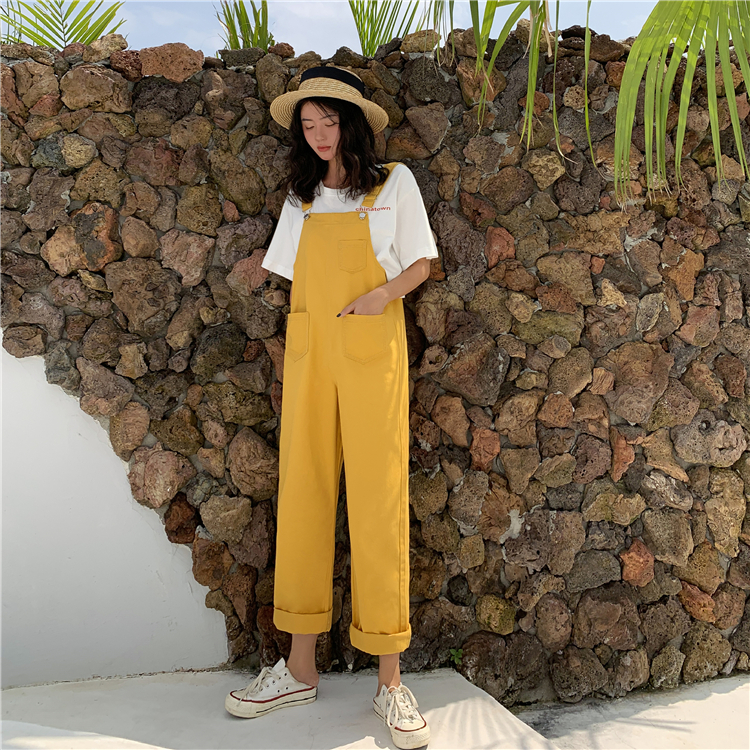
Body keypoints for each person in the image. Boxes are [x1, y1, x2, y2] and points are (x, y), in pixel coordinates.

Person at [224, 64, 438, 750]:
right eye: (308, 125)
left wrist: (380, 297)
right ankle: (299, 669)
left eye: (328, 122)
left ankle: (390, 682)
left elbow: (421, 264)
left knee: (379, 498)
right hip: (313, 349)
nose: (318, 135)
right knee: (304, 493)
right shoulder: (303, 198)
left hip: (373, 346)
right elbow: (292, 275)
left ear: (352, 124)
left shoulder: (393, 183)